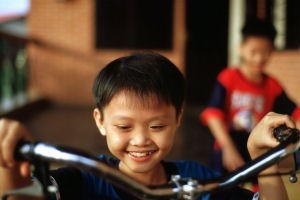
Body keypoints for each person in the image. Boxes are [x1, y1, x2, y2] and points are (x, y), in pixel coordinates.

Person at [0, 52, 290, 200]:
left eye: (156, 126)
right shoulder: (84, 181)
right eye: (124, 127)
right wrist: (8, 163)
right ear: (100, 122)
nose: (140, 140)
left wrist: (265, 161)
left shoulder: (200, 182)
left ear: (178, 118)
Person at [200, 18, 300, 178]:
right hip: (226, 150)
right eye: (254, 52)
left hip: (257, 150)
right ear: (241, 48)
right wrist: (228, 148)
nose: (259, 58)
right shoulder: (228, 78)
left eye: (265, 52)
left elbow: (295, 113)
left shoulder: (273, 86)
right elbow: (213, 115)